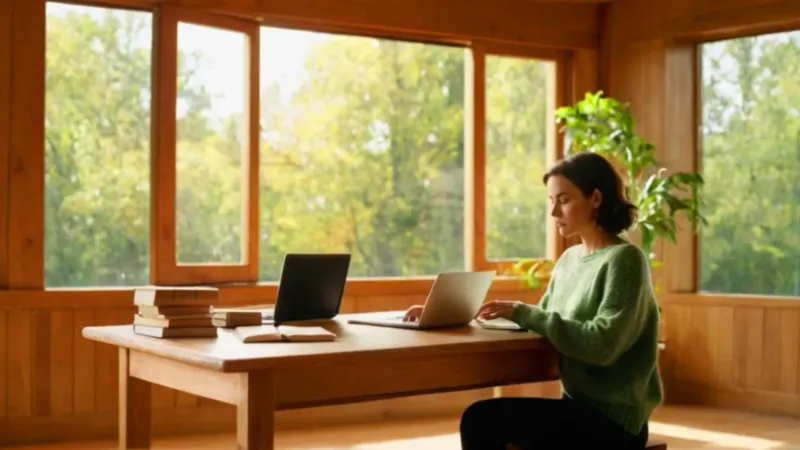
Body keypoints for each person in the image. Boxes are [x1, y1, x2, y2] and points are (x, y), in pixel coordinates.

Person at [405, 152, 663, 449]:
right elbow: (540, 319)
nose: (553, 212)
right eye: (550, 201)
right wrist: (449, 312)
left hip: (615, 422)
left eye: (563, 200)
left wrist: (522, 312)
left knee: (482, 420)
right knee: (483, 418)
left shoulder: (626, 259)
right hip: (578, 408)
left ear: (595, 198)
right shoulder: (569, 260)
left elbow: (602, 345)